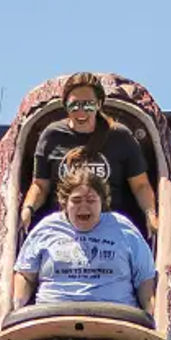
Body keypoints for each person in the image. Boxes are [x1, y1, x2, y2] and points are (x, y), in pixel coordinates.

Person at [18, 72, 159, 239]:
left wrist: (151, 214)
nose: (81, 112)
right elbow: (40, 185)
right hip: (64, 229)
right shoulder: (52, 136)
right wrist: (28, 209)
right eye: (74, 105)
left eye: (88, 105)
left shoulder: (119, 136)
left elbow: (140, 185)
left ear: (99, 104)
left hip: (110, 228)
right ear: (65, 106)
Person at [12, 168, 156, 316]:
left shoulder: (123, 228)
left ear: (102, 202)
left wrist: (150, 312)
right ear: (65, 203)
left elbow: (145, 279)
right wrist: (17, 306)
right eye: (76, 200)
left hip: (115, 318)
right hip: (53, 317)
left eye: (91, 200)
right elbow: (25, 275)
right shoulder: (46, 228)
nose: (84, 206)